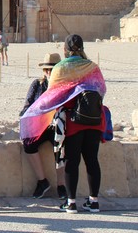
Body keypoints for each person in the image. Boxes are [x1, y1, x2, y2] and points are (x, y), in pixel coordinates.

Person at [20, 34, 106, 213]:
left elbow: (53, 95)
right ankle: (94, 202)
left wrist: (32, 115)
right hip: (94, 120)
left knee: (71, 161)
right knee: (92, 160)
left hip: (73, 121)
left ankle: (71, 202)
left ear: (65, 50)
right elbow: (101, 90)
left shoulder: (61, 68)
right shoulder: (93, 67)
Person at [20, 53, 65, 200]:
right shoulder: (37, 84)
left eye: (52, 70)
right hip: (39, 126)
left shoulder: (64, 86)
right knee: (28, 144)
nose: (48, 73)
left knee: (61, 147)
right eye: (46, 70)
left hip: (57, 126)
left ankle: (61, 185)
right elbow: (27, 105)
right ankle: (42, 181)